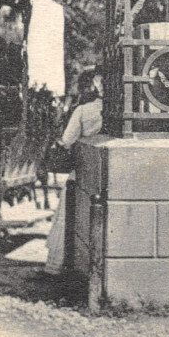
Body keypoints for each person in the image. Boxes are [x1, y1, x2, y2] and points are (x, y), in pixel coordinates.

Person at [44, 70, 103, 275]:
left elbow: (67, 141)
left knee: (69, 215)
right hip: (104, 173)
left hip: (81, 172)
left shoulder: (84, 110)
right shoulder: (116, 109)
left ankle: (61, 266)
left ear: (94, 86)